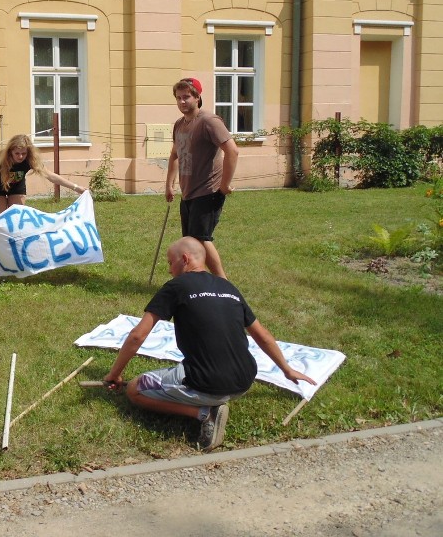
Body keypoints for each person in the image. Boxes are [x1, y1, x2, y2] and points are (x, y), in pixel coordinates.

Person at [103, 237, 315, 452]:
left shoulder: (176, 286)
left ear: (184, 259)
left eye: (169, 263)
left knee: (134, 389)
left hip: (207, 383)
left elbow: (138, 336)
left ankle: (205, 413)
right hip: (244, 380)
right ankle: (209, 401)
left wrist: (114, 374)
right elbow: (263, 335)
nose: (169, 270)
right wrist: (287, 370)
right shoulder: (227, 286)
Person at [164, 78, 239, 279]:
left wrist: (224, 186)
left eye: (186, 97)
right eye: (178, 98)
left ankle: (223, 283)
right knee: (190, 241)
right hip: (188, 193)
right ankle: (195, 281)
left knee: (201, 239)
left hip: (208, 191)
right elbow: (174, 154)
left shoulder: (209, 121)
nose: (182, 102)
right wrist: (169, 184)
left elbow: (232, 151)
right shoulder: (180, 124)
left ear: (197, 97)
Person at [0, 134, 86, 217]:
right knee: (1, 221)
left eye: (23, 153)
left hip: (17, 188)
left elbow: (51, 176)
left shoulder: (30, 160)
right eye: (17, 153)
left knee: (17, 218)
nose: (20, 156)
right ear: (10, 151)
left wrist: (76, 187)